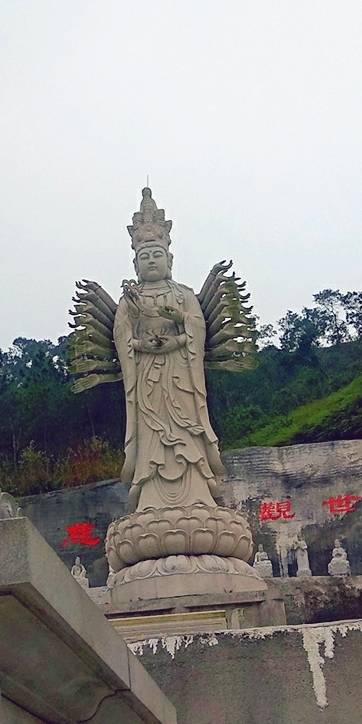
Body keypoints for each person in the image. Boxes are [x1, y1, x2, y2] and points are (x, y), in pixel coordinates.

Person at [115, 190, 226, 515]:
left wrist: (180, 323)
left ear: (170, 260)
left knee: (186, 430)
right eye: (144, 255)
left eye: (156, 254)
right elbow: (122, 337)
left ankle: (197, 492)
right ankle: (150, 495)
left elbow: (195, 326)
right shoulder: (129, 301)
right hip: (147, 383)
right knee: (151, 435)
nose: (151, 260)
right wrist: (137, 338)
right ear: (135, 263)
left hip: (181, 381)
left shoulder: (184, 295)